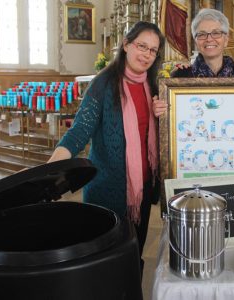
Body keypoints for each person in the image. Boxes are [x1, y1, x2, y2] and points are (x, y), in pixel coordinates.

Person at [47, 21, 165, 276]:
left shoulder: (154, 86)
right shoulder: (103, 84)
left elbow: (159, 137)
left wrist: (162, 116)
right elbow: (79, 131)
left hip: (142, 190)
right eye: (141, 46)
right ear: (126, 45)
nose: (146, 54)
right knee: (106, 265)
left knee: (135, 255)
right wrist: (51, 170)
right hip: (107, 191)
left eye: (153, 50)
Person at [153, 8, 234, 125]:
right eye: (202, 34)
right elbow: (172, 123)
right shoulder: (179, 77)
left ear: (226, 39)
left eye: (216, 33)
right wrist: (160, 111)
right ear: (196, 41)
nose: (209, 39)